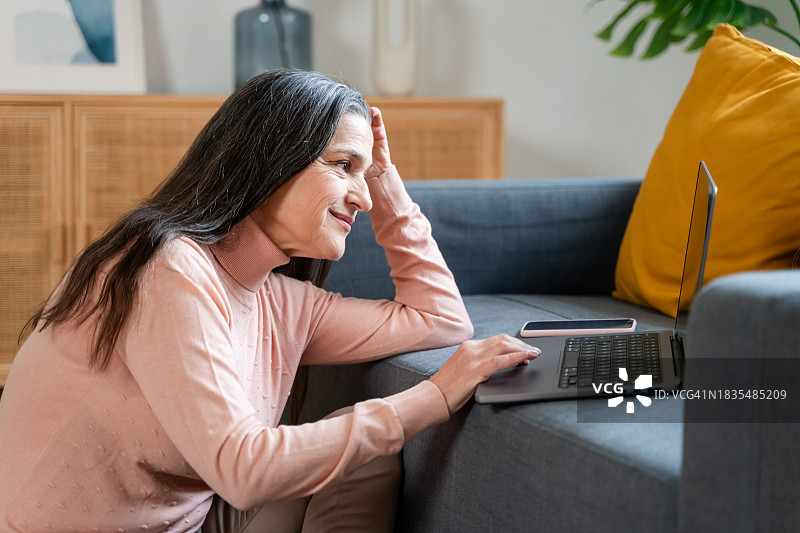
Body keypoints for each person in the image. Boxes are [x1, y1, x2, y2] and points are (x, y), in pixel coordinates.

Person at [0, 70, 540, 532]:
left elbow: (441, 320)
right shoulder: (167, 266)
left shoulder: (279, 299)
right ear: (272, 159)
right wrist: (436, 396)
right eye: (343, 166)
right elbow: (244, 470)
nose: (364, 196)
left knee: (362, 456)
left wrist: (385, 178)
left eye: (366, 173)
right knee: (368, 433)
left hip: (189, 521)